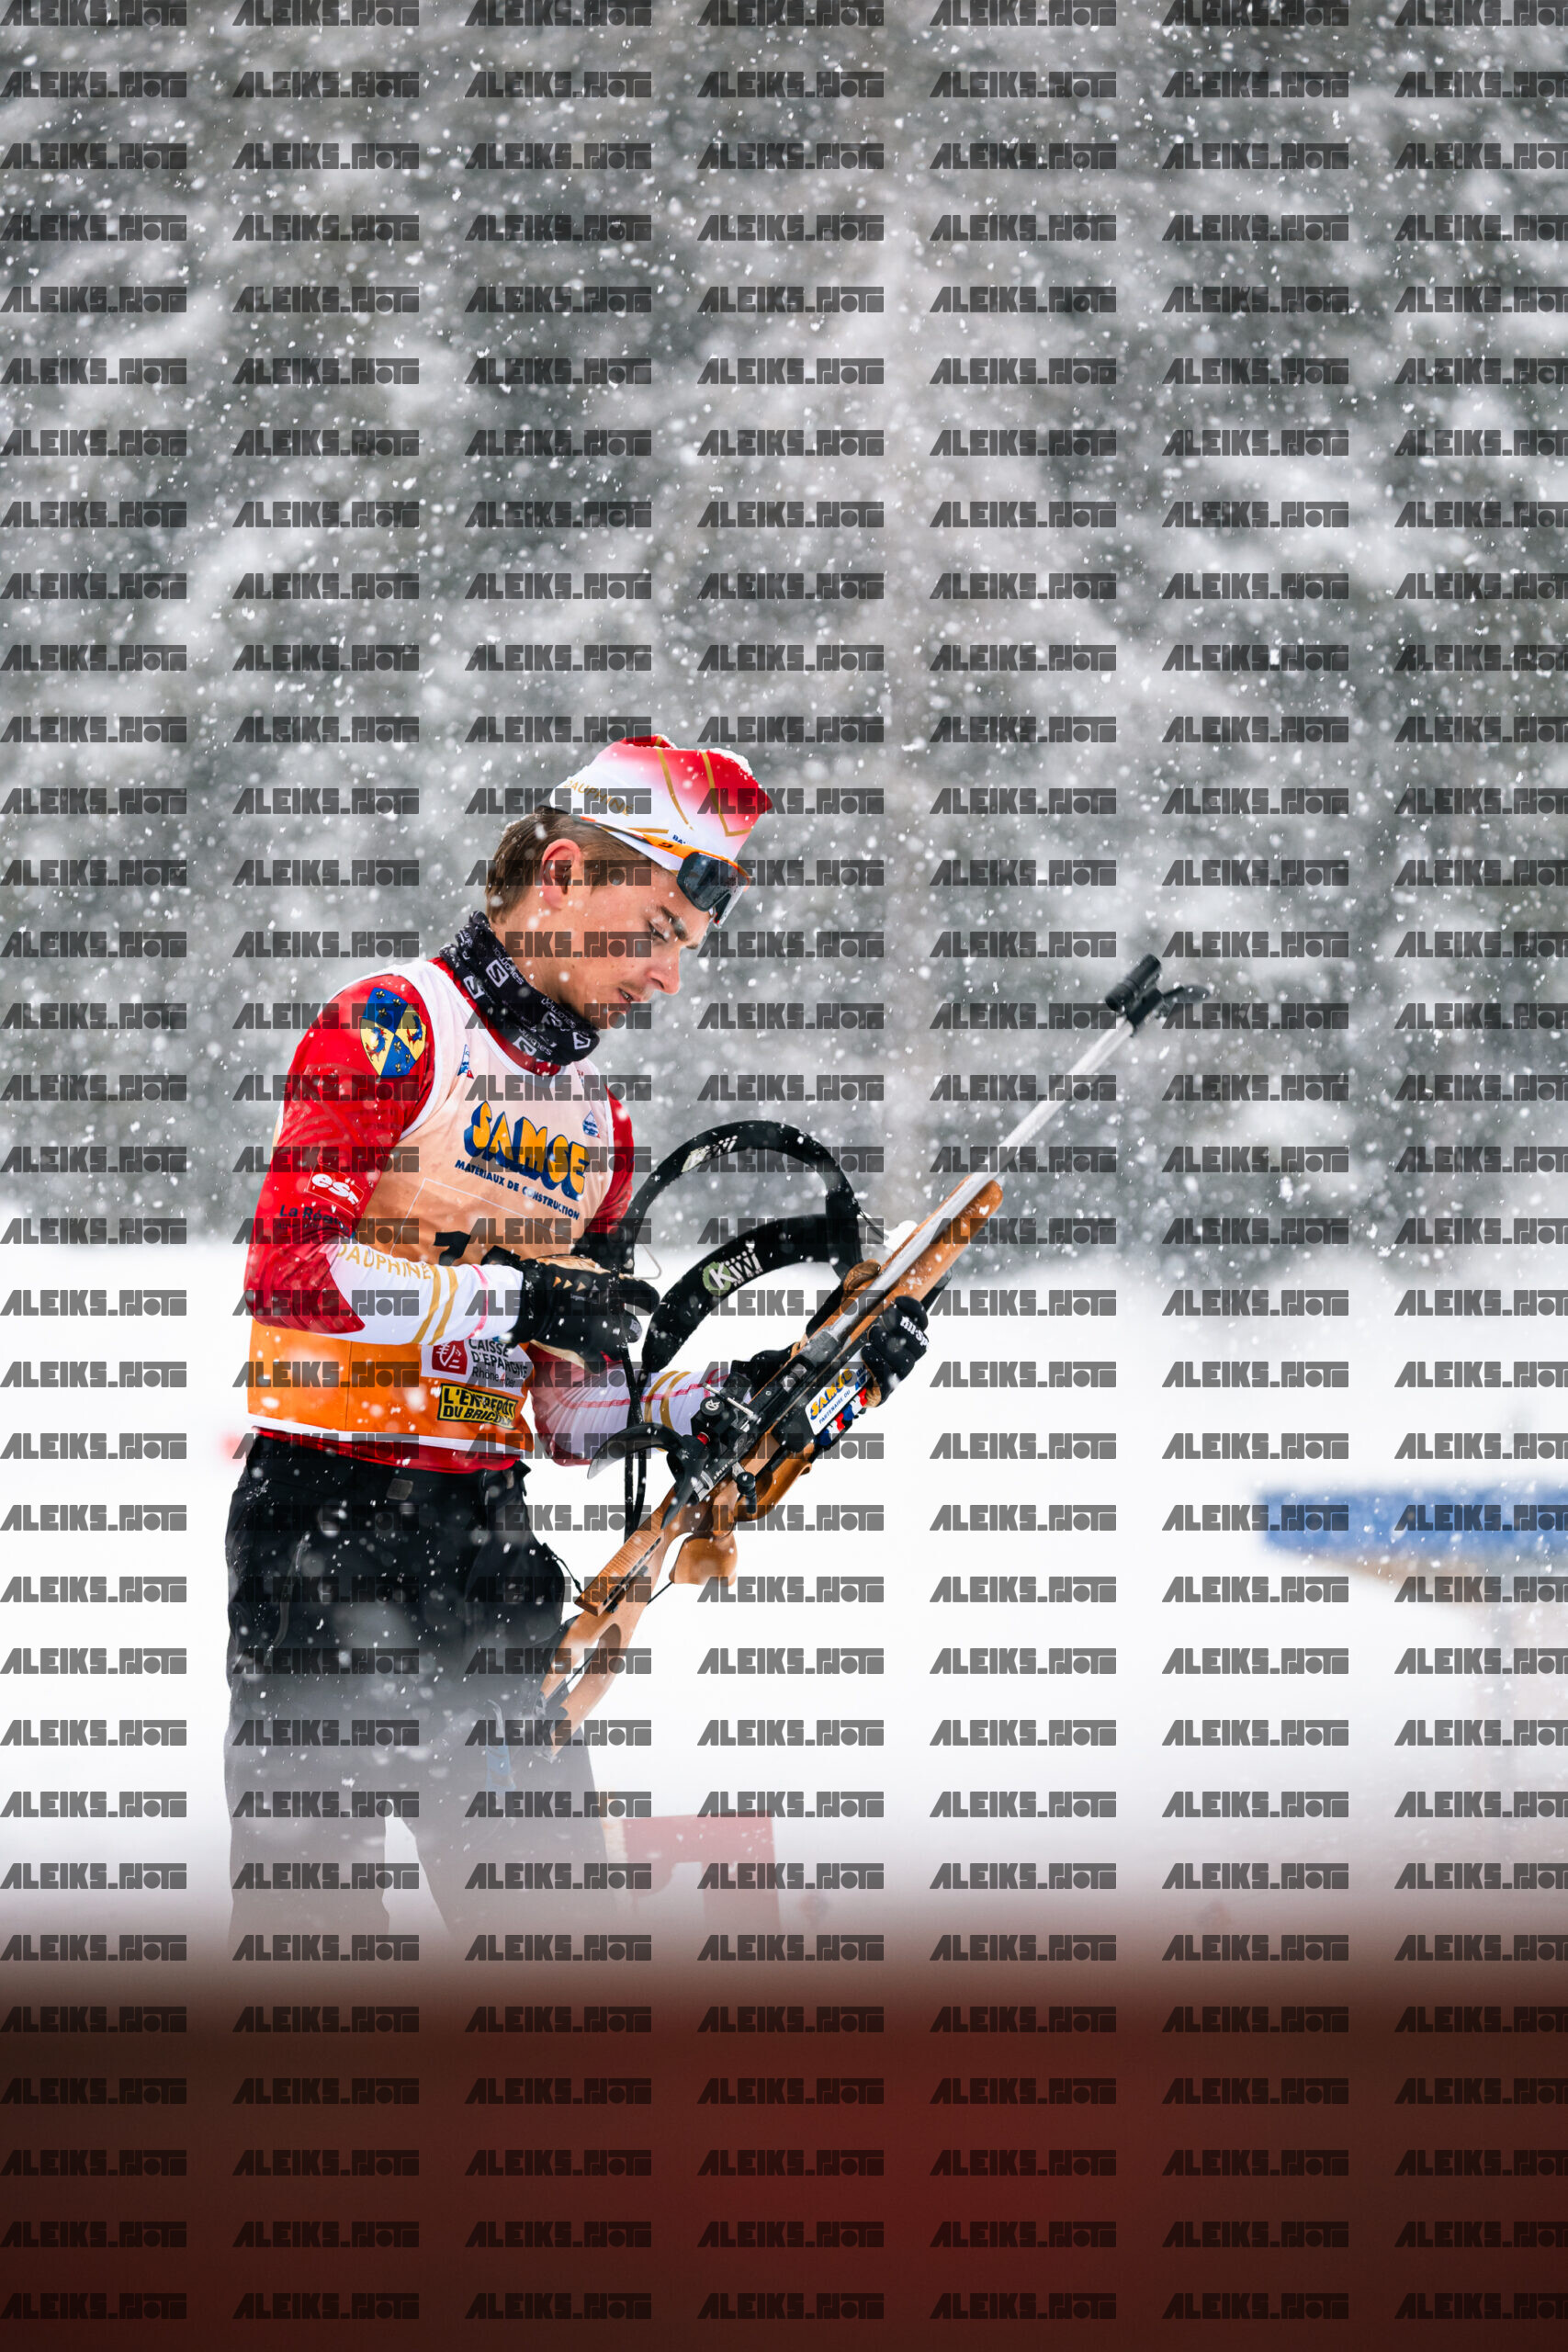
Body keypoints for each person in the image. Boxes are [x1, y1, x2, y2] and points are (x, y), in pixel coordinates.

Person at [225, 736, 781, 1947]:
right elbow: (291, 1273)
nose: (668, 977)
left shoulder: (600, 1126)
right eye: (657, 931)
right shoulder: (392, 1027)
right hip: (324, 1533)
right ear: (565, 876)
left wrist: (705, 1404)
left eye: (688, 949)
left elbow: (573, 1417)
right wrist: (511, 1301)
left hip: (485, 1546)